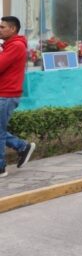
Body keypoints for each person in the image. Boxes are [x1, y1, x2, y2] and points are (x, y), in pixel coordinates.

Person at [0, 16, 36, 178]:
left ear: (12, 29)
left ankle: (1, 167)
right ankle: (22, 146)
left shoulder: (15, 46)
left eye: (2, 27)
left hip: (6, 95)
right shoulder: (9, 45)